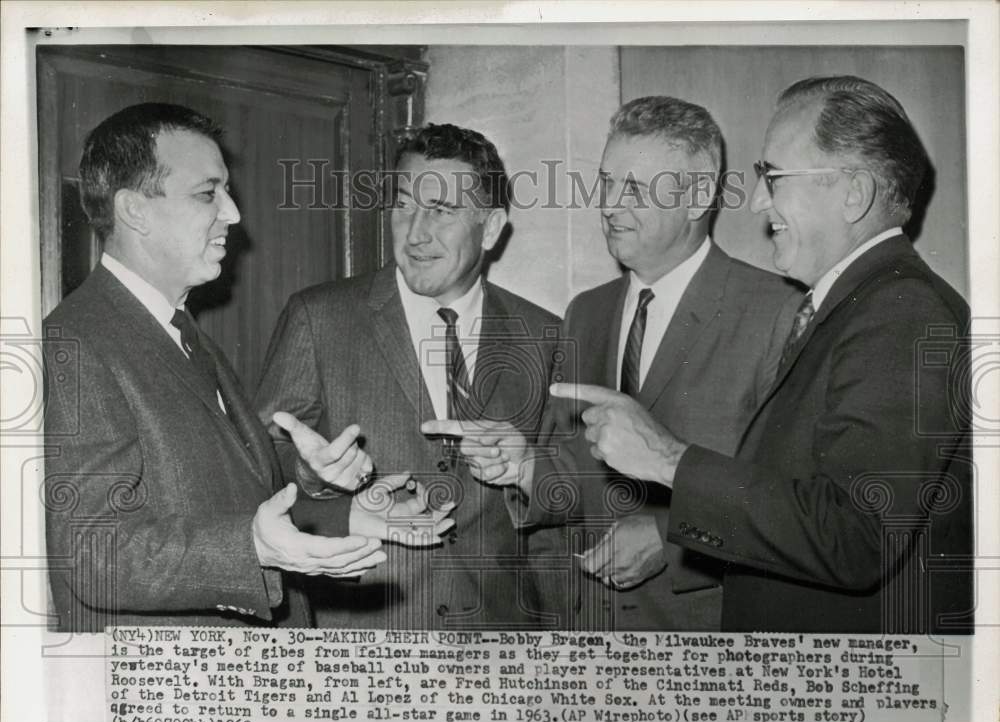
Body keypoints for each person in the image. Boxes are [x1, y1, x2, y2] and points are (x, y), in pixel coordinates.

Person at [551, 76, 973, 634]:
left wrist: (667, 459)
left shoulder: (900, 309)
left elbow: (856, 535)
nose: (755, 201)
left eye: (773, 178)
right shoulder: (853, 305)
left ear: (855, 194)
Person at [44, 103, 447, 632]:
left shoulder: (182, 333)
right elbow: (92, 552)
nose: (233, 213)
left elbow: (226, 501)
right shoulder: (75, 341)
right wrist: (252, 548)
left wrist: (337, 507)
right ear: (134, 210)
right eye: (207, 193)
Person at [427, 96, 801, 630]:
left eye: (634, 189)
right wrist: (526, 468)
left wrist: (673, 541)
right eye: (605, 183)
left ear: (697, 198)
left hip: (704, 647)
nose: (608, 204)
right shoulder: (587, 311)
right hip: (585, 639)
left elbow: (793, 505)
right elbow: (579, 479)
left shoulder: (777, 311)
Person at [255, 123, 562, 630]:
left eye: (441, 211)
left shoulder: (545, 336)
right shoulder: (319, 317)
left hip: (502, 647)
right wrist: (315, 477)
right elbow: (258, 467)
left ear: (490, 227)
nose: (416, 232)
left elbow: (563, 505)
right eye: (403, 205)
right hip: (362, 646)